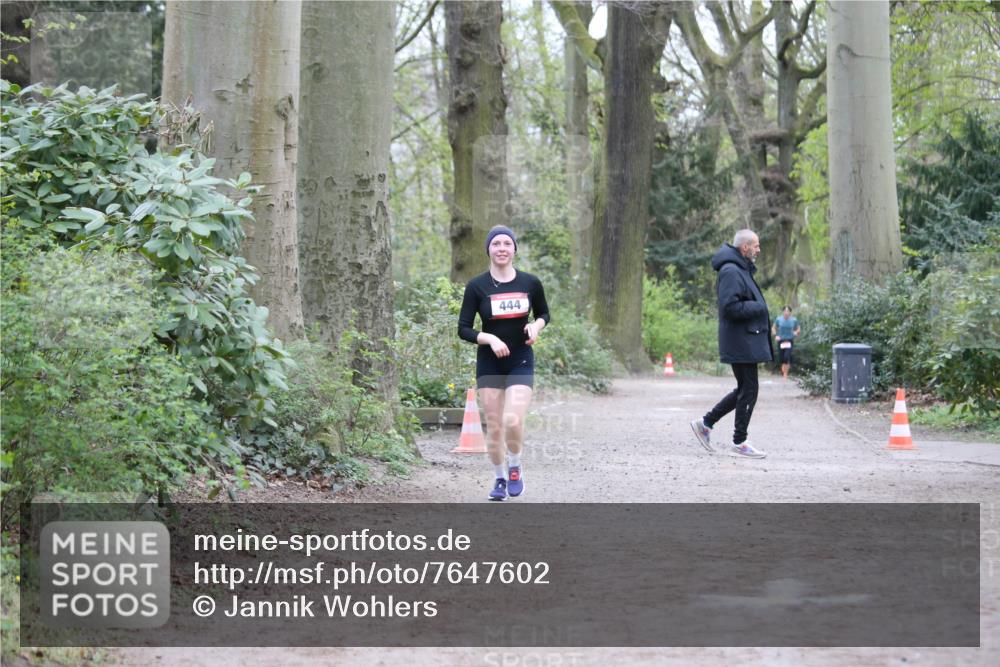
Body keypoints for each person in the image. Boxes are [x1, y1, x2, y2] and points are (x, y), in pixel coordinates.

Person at [458, 225, 550, 500]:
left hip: (521, 359)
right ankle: (499, 478)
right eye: (496, 243)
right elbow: (463, 328)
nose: (501, 248)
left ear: (514, 250)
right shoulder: (477, 286)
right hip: (489, 363)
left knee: (512, 419)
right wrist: (489, 338)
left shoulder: (530, 283)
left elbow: (544, 313)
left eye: (507, 244)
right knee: (495, 425)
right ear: (488, 249)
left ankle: (515, 466)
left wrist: (536, 327)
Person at [690, 229, 773, 459]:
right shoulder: (731, 271)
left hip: (744, 339)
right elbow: (729, 308)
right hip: (740, 341)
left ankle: (706, 424)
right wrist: (759, 306)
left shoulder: (740, 269)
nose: (758, 249)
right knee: (749, 389)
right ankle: (739, 441)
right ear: (744, 247)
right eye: (755, 245)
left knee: (745, 389)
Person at [772, 306, 801, 380]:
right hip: (781, 340)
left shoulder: (794, 320)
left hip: (789, 340)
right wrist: (776, 335)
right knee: (782, 358)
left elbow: (798, 329)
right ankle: (783, 367)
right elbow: (773, 328)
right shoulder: (779, 319)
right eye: (785, 311)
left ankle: (785, 373)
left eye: (788, 311)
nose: (786, 312)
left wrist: (796, 332)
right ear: (783, 312)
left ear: (790, 312)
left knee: (786, 357)